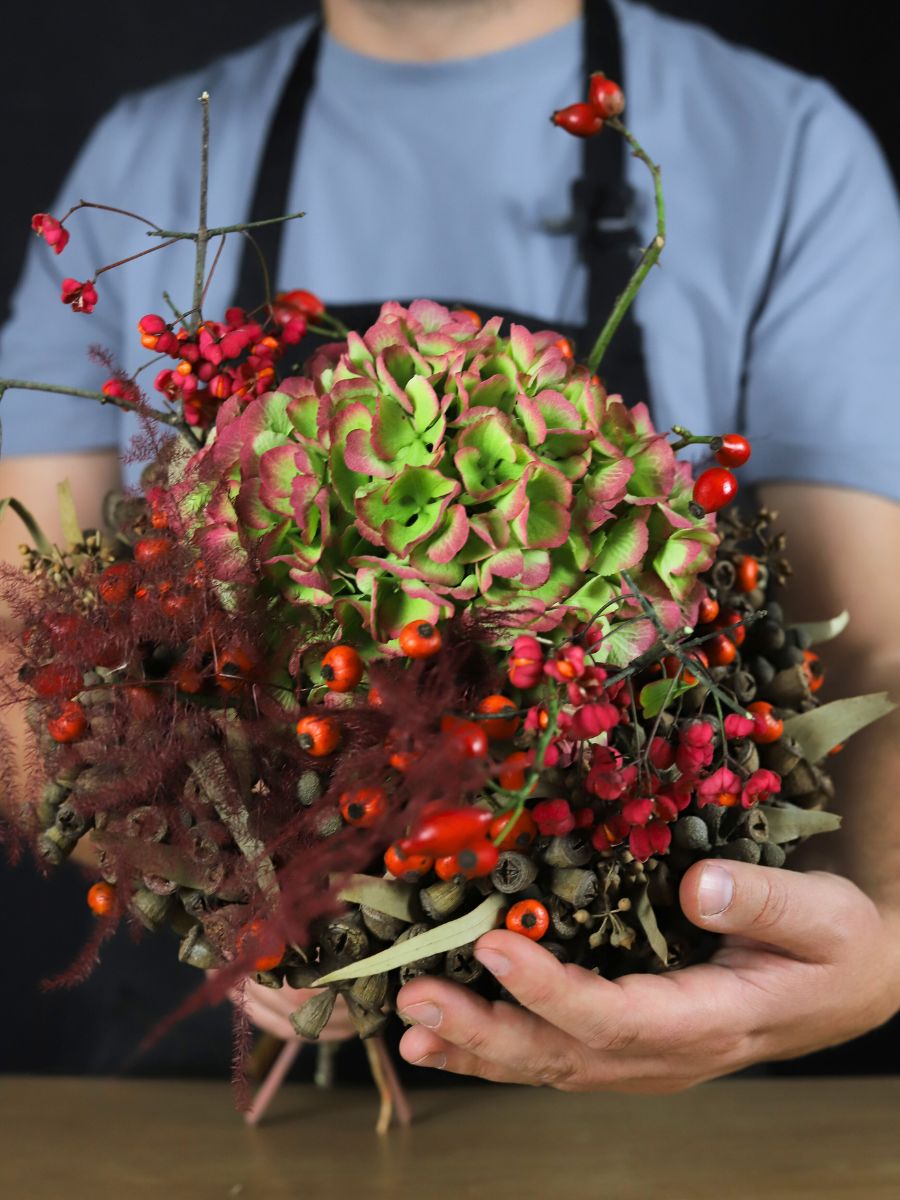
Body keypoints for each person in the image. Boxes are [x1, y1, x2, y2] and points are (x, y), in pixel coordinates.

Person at [1, 0, 899, 1090]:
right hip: (204, 1061)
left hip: (641, 1033)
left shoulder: (787, 146)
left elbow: (872, 656)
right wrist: (220, 873)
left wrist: (885, 933)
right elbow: (24, 646)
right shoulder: (145, 157)